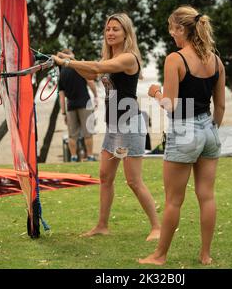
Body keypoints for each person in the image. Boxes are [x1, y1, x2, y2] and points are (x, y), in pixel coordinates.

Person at [53, 13, 161, 241]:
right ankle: (102, 225)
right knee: (105, 176)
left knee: (133, 181)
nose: (110, 33)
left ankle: (157, 227)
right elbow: (91, 71)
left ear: (126, 33)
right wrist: (69, 62)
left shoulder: (129, 58)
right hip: (114, 127)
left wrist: (66, 62)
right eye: (108, 29)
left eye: (116, 29)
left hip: (130, 125)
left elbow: (96, 67)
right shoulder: (109, 56)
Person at [139, 5, 225, 265]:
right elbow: (220, 106)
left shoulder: (175, 59)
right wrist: (209, 129)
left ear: (181, 29)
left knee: (174, 201)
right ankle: (206, 255)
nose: (170, 34)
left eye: (172, 28)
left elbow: (170, 105)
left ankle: (159, 255)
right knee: (206, 196)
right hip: (209, 129)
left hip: (184, 129)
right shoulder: (216, 60)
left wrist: (155, 92)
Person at [58, 49, 98, 162]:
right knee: (88, 133)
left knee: (72, 135)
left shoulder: (61, 73)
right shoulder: (79, 67)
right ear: (72, 56)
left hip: (70, 106)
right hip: (84, 103)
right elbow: (90, 82)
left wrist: (63, 112)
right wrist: (95, 96)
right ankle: (90, 156)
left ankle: (74, 157)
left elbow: (61, 96)